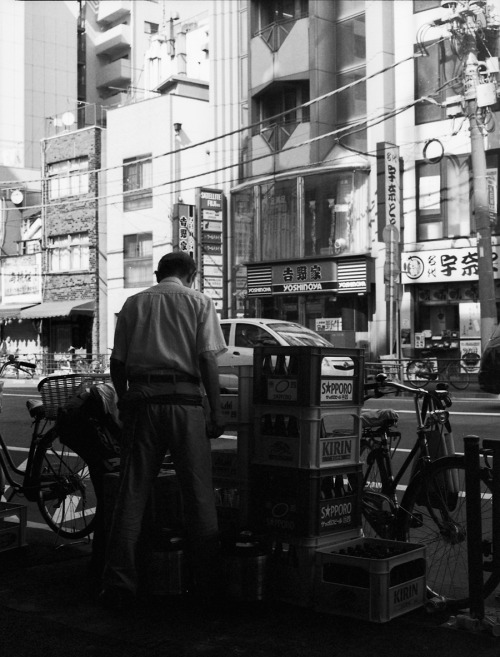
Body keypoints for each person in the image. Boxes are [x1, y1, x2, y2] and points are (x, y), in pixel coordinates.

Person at [100, 251, 227, 609]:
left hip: (142, 401)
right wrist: (215, 409)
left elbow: (117, 361)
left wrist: (125, 400)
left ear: (158, 273)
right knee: (198, 491)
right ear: (193, 274)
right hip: (185, 403)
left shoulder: (133, 303)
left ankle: (119, 582)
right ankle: (208, 580)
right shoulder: (200, 302)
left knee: (132, 492)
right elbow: (206, 358)